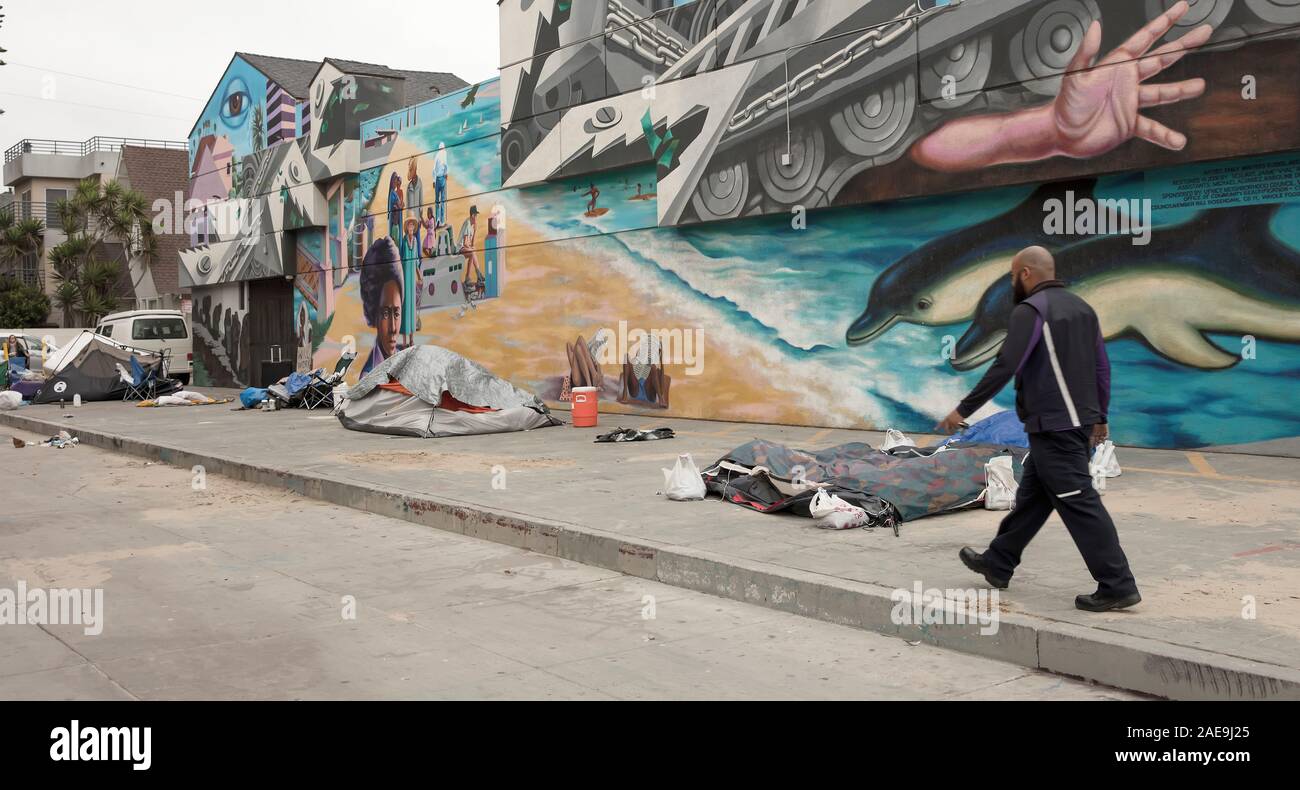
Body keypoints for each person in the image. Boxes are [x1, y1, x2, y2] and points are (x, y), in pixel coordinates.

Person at [936, 246, 1140, 612]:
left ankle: (1118, 584)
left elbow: (1005, 364)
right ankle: (999, 562)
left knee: (1080, 503)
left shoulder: (1031, 311)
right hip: (1071, 424)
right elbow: (1101, 368)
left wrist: (963, 409)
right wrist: (1101, 416)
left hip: (1055, 427)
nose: (1013, 282)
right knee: (1033, 497)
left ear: (1027, 273)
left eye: (1014, 275)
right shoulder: (1083, 309)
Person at [359, 238, 404, 375]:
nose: (393, 329)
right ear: (373, 313)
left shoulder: (406, 360)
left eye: (396, 313)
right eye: (385, 314)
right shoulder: (368, 378)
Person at [433, 143, 449, 227]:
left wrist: (433, 180)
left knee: (437, 201)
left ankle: (437, 219)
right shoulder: (444, 154)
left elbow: (434, 169)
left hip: (437, 179)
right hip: (442, 178)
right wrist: (446, 173)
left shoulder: (436, 155)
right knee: (442, 200)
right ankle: (442, 220)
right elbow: (446, 165)